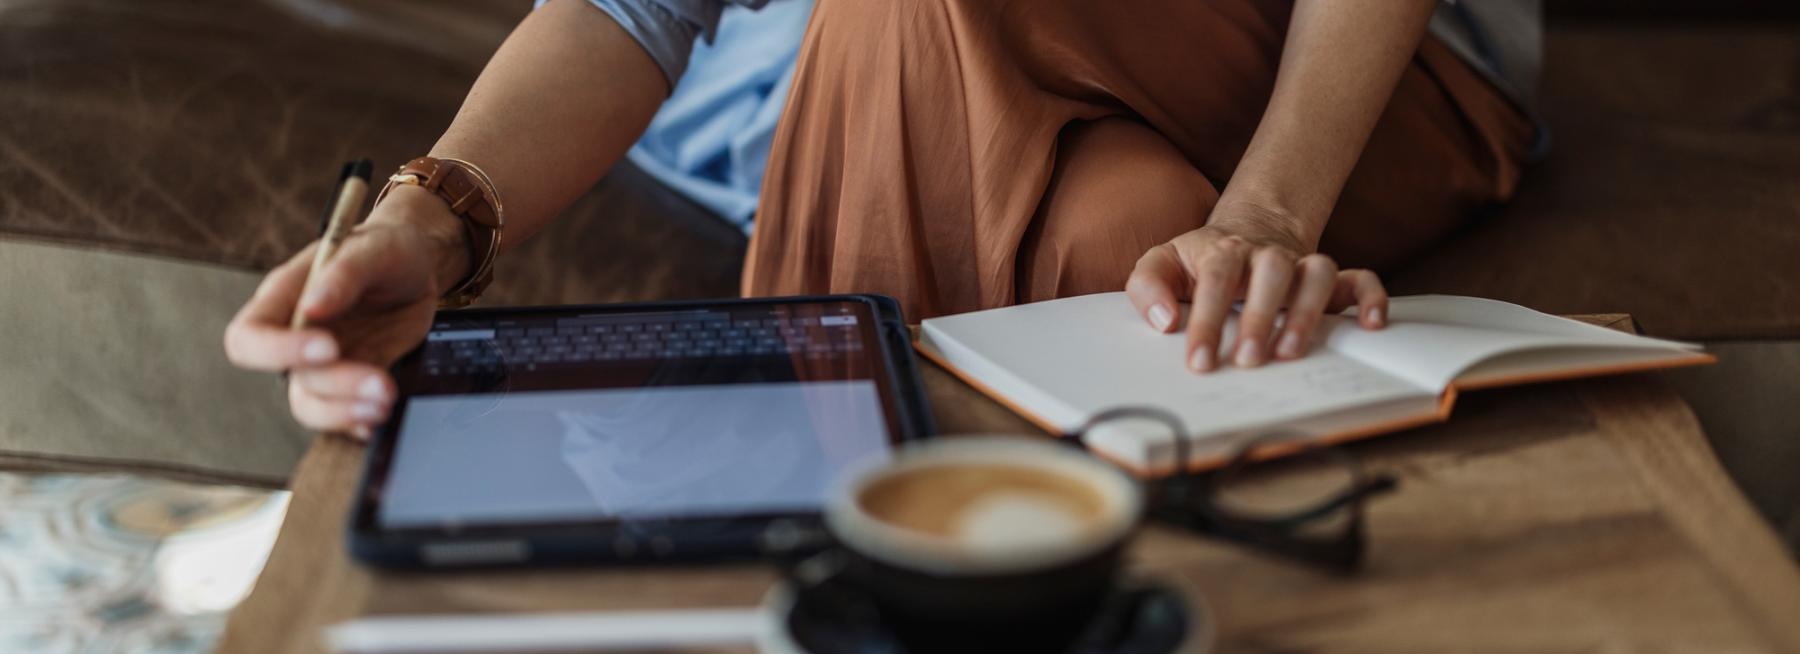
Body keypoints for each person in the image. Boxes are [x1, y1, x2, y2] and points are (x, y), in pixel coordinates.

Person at [224, 0, 1543, 438]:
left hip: (1362, 85)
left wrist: (1266, 214)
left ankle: (804, 551)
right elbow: (629, 9)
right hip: (993, 101)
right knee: (1123, 233)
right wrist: (430, 221)